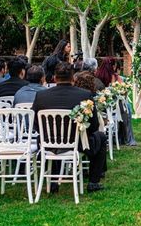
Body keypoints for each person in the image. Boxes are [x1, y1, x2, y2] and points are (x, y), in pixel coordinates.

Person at [32, 62, 107, 193]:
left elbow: (35, 125)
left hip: (48, 144)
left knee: (51, 139)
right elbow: (94, 125)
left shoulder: (41, 96)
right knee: (100, 137)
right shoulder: (85, 95)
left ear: (55, 78)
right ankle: (93, 182)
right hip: (77, 143)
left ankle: (54, 181)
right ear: (73, 78)